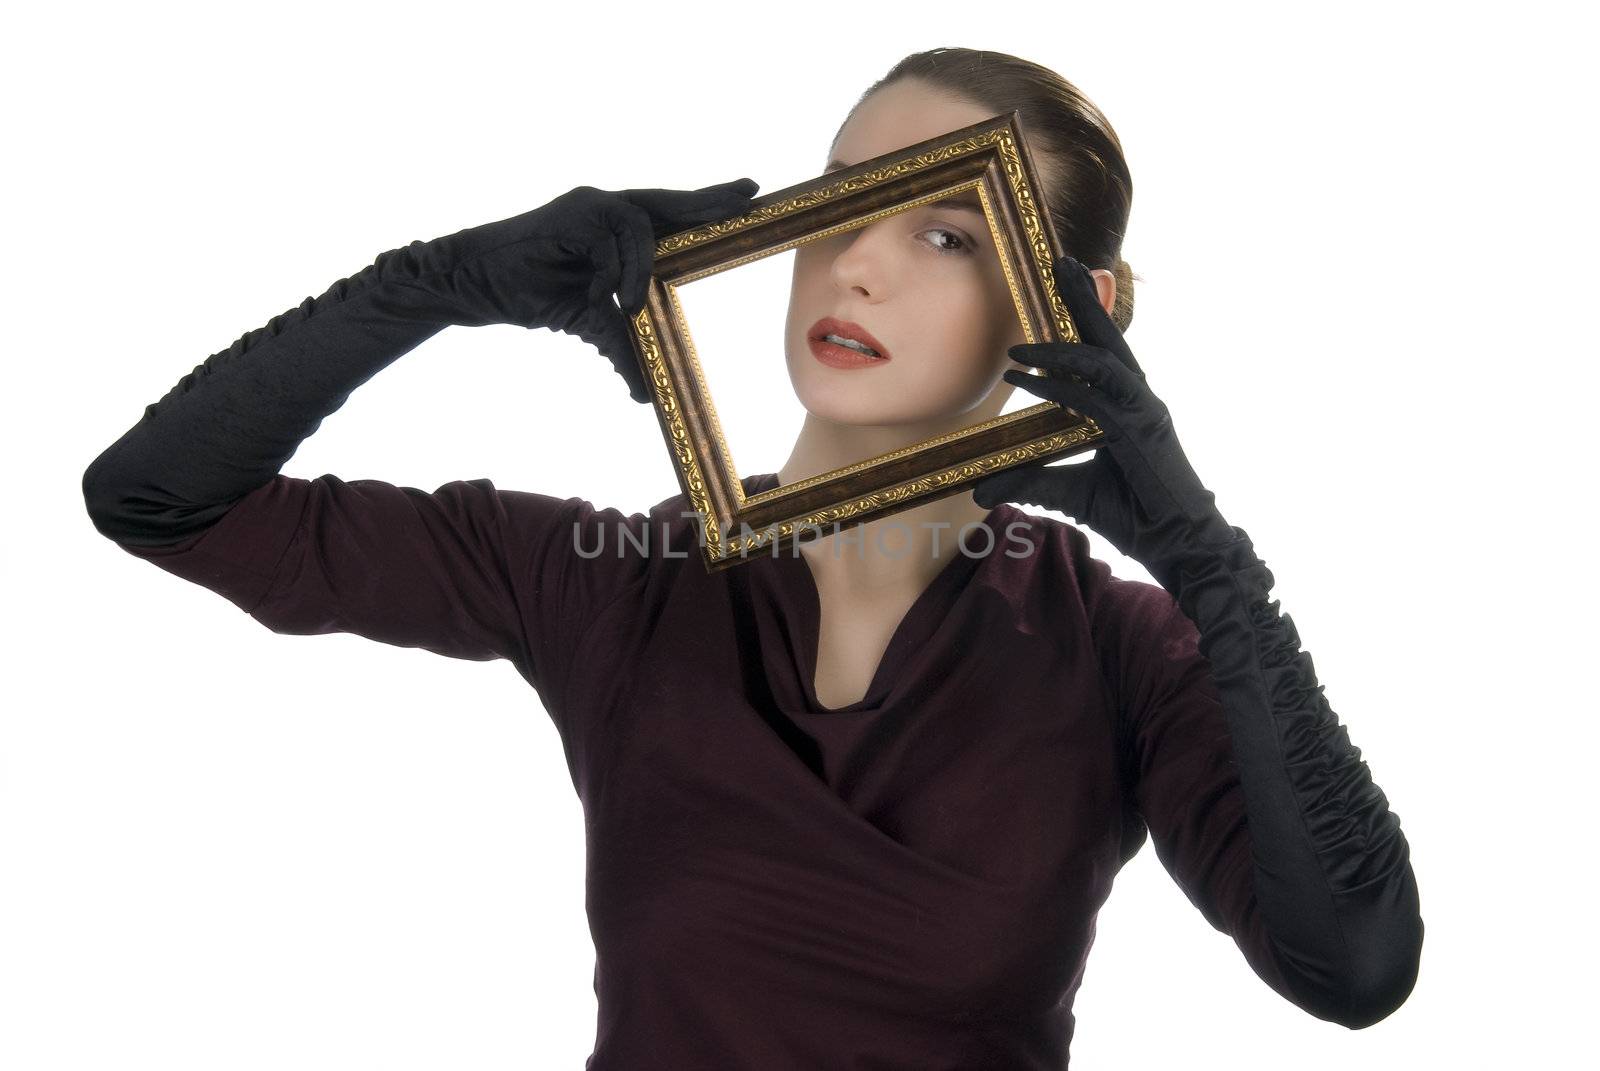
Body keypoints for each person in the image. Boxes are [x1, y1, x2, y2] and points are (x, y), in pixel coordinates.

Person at [80, 46, 1422, 1069]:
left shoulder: (1121, 649)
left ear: (1080, 306)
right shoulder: (614, 580)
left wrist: (1201, 558)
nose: (856, 266)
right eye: (840, 205)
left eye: (942, 231)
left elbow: (1352, 969)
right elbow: (161, 500)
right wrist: (440, 282)